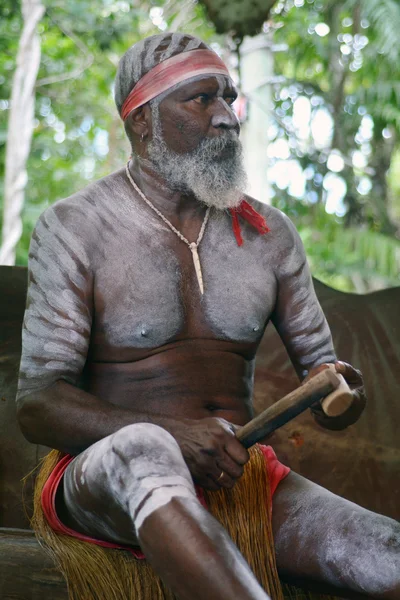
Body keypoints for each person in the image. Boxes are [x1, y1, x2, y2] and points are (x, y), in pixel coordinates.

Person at [16, 33, 399, 600]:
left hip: (239, 480)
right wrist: (173, 434)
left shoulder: (270, 236)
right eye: (201, 99)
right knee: (146, 447)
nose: (227, 118)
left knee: (387, 554)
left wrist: (342, 394)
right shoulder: (75, 227)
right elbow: (37, 402)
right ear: (143, 120)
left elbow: (327, 383)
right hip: (106, 476)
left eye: (229, 98)